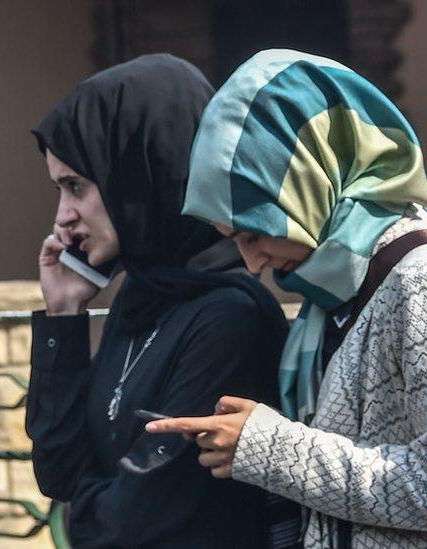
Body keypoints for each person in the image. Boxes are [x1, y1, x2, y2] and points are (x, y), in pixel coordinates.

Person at [148, 49, 427, 548]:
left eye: (255, 234)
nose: (252, 263)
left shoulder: (418, 280)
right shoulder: (326, 302)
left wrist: (269, 449)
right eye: (230, 239)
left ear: (312, 185)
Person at [26, 54, 289, 548]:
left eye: (77, 186)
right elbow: (58, 473)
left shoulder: (229, 317)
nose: (62, 217)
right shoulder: (141, 302)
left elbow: (139, 522)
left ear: (140, 174)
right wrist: (63, 314)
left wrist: (89, 506)